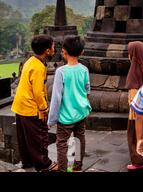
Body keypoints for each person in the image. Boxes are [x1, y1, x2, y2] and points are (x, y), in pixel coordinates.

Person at [11, 35, 58, 172]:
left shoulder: (30, 61)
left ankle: (27, 162)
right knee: (38, 137)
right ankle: (44, 164)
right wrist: (44, 109)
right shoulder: (39, 67)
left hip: (20, 105)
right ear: (47, 50)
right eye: (53, 46)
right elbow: (38, 92)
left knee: (25, 138)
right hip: (31, 107)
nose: (54, 48)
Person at [48, 36, 91, 172]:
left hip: (65, 116)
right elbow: (87, 90)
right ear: (82, 52)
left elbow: (56, 97)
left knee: (62, 144)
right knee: (79, 139)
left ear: (64, 52)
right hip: (81, 112)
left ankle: (63, 169)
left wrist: (52, 119)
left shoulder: (61, 71)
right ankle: (77, 167)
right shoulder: (84, 69)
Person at [124, 41, 143, 171]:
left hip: (136, 115)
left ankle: (139, 161)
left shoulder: (133, 73)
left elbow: (134, 103)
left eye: (130, 53)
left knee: (135, 135)